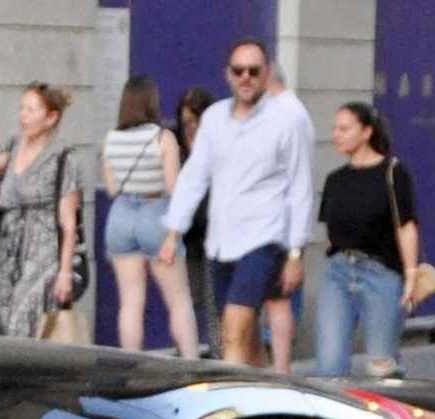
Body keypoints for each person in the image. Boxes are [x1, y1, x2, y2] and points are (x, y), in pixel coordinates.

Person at [159, 38, 312, 370]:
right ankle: (267, 392)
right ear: (227, 74)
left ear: (266, 73)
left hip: (264, 238)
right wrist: (173, 231)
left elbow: (301, 187)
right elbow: (194, 175)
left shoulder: (287, 120)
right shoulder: (214, 118)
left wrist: (296, 252)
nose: (246, 77)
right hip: (222, 241)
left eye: (254, 71)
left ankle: (230, 408)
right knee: (247, 335)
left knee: (231, 330)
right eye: (239, 70)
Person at [311, 101, 420, 378]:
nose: (337, 134)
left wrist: (411, 275)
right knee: (328, 366)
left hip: (380, 274)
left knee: (381, 367)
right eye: (334, 128)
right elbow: (329, 232)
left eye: (345, 128)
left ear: (366, 131)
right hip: (338, 272)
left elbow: (405, 226)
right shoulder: (335, 180)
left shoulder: (393, 172)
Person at [98, 75, 200, 355]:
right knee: (178, 301)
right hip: (155, 214)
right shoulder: (162, 137)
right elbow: (173, 188)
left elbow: (111, 187)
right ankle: (191, 364)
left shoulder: (111, 139)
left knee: (130, 303)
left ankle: (132, 365)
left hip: (120, 217)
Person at [0, 81, 83, 339]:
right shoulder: (12, 145)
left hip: (42, 252)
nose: (23, 116)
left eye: (31, 110)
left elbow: (68, 222)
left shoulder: (63, 156)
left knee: (24, 322)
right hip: (7, 251)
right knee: (2, 323)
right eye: (21, 109)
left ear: (51, 117)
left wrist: (64, 272)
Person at [176, 85, 218, 355]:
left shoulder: (218, 144)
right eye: (186, 122)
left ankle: (220, 352)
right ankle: (187, 353)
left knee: (215, 301)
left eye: (195, 121)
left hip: (215, 233)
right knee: (190, 297)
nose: (190, 128)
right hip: (190, 234)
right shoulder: (179, 147)